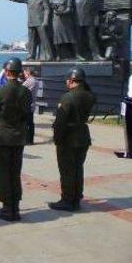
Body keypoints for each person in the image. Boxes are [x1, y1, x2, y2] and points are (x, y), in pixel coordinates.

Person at [0, 58, 31, 222]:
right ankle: (15, 206)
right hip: (18, 136)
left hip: (2, 136)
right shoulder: (25, 91)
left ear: (7, 71)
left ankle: (7, 208)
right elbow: (26, 114)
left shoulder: (1, 91)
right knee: (15, 172)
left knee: (3, 172)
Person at [49, 67, 96, 211]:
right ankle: (76, 197)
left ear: (71, 81)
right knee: (78, 169)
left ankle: (67, 200)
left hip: (69, 137)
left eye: (67, 80)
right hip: (82, 135)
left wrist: (57, 138)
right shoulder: (89, 95)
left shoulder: (68, 97)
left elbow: (61, 122)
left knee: (67, 170)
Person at [22, 68, 38, 145]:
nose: (24, 75)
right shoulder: (36, 80)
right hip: (32, 104)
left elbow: (21, 88)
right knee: (30, 123)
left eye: (25, 74)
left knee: (27, 123)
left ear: (28, 73)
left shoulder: (30, 81)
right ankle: (30, 140)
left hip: (27, 104)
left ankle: (27, 140)